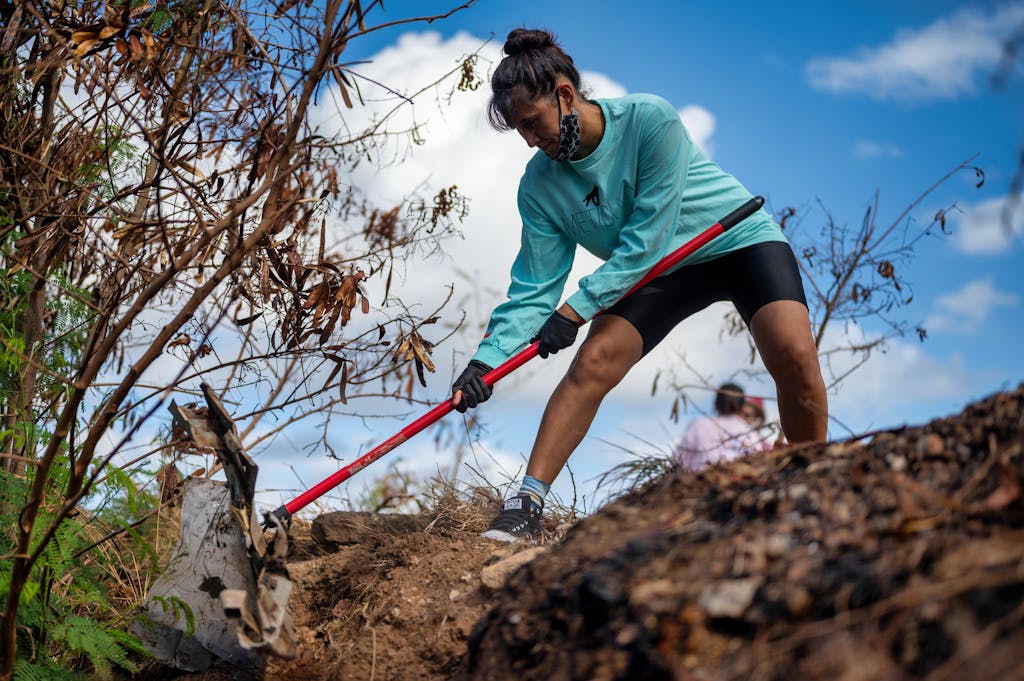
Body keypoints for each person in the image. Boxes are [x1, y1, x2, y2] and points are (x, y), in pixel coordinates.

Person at [450, 28, 827, 542]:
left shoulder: (650, 119)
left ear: (564, 96)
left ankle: (814, 480)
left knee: (794, 355)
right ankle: (526, 505)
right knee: (594, 361)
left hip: (734, 240)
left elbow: (647, 239)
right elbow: (534, 285)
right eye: (520, 131)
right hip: (659, 272)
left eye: (532, 124)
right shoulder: (538, 186)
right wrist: (486, 362)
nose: (530, 141)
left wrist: (574, 311)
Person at [673, 383, 770, 471]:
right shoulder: (750, 434)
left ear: (716, 404)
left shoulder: (698, 425)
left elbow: (678, 461)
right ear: (742, 408)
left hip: (698, 483)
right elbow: (756, 463)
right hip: (738, 484)